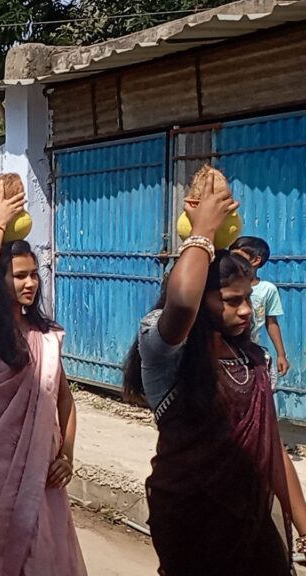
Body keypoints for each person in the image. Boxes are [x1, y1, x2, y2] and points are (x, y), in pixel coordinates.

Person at [122, 167, 306, 575]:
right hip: (191, 521)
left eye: (247, 299)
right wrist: (202, 233)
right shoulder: (166, 350)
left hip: (251, 521)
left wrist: (305, 524)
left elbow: (273, 450)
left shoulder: (253, 359)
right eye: (230, 300)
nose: (245, 311)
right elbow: (182, 304)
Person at [0, 185, 85, 576]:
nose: (30, 283)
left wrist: (66, 455)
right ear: (2, 281)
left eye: (34, 275)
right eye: (19, 276)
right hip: (1, 465)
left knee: (48, 552)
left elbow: (64, 400)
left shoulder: (46, 336)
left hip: (44, 467)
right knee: (20, 550)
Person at [230, 236, 292, 378]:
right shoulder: (226, 285)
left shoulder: (267, 289)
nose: (233, 261)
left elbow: (272, 322)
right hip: (226, 349)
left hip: (249, 349)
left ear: (256, 260)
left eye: (238, 256)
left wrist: (281, 355)